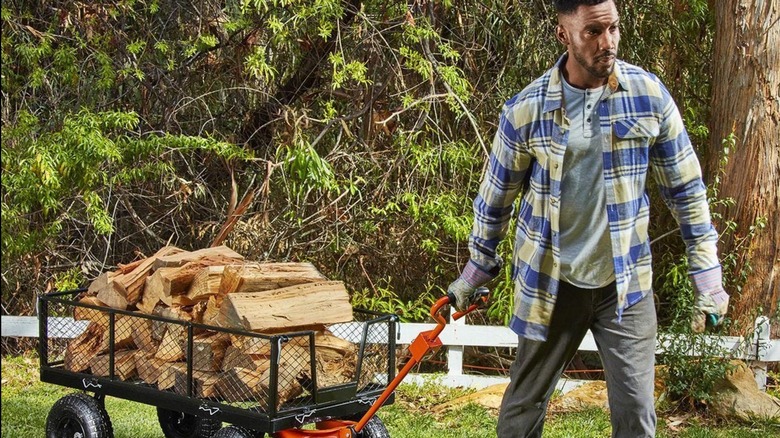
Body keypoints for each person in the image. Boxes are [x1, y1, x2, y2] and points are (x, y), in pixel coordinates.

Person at [447, 0, 730, 436]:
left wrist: (708, 276)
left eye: (613, 28)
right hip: (552, 282)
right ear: (563, 34)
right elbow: (495, 199)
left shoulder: (647, 96)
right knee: (522, 409)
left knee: (636, 410)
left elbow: (686, 189)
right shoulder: (527, 110)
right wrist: (475, 270)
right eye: (593, 32)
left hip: (626, 283)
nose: (608, 42)